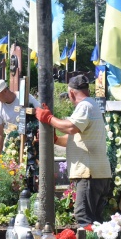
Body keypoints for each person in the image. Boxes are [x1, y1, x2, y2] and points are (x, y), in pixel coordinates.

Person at [35, 75, 112, 227]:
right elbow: (75, 137)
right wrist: (56, 140)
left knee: (83, 216)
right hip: (97, 173)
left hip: (89, 173)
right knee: (95, 220)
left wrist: (49, 118)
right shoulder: (91, 105)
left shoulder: (84, 106)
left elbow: (71, 127)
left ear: (71, 93)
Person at [0, 79, 40, 159]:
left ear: (5, 91)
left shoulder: (23, 97)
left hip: (30, 142)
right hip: (11, 144)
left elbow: (40, 111)